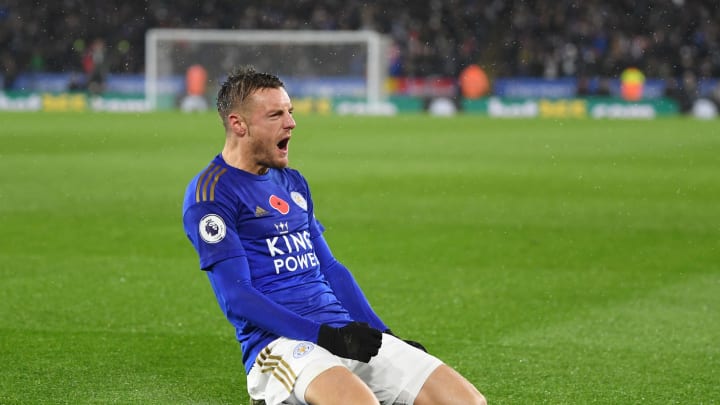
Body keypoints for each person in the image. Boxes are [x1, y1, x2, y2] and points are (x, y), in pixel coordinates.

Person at [182, 66, 487, 405]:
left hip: (341, 332)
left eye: (290, 112)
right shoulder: (212, 193)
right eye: (275, 115)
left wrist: (383, 335)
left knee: (467, 402)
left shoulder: (292, 182)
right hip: (279, 345)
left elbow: (330, 269)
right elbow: (236, 297)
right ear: (239, 124)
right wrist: (323, 336)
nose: (291, 123)